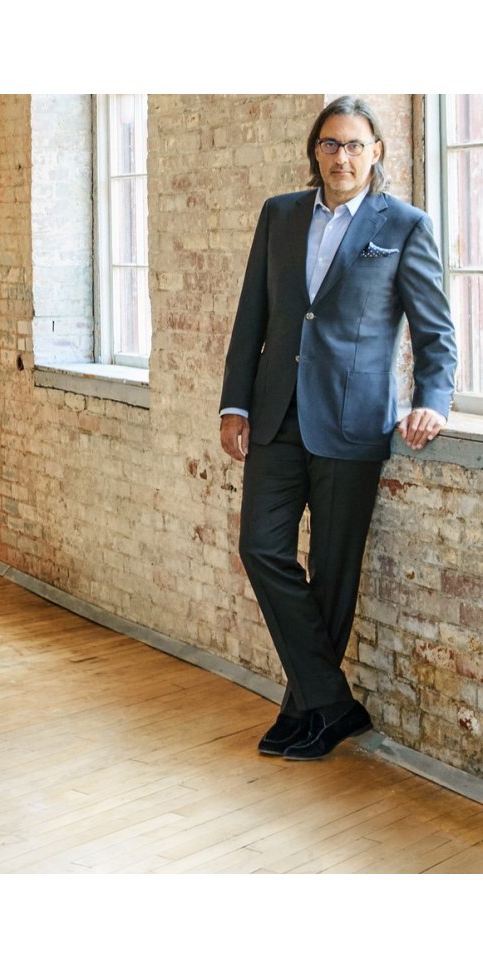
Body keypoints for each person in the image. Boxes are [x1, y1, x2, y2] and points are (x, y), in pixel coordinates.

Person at [220, 97, 457, 761]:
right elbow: (253, 318)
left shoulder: (405, 225)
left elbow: (435, 330)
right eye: (330, 144)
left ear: (376, 152)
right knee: (261, 548)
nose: (342, 157)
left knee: (333, 571)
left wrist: (432, 398)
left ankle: (308, 711)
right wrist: (233, 404)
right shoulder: (280, 215)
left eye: (355, 145)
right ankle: (333, 702)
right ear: (314, 151)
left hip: (354, 422)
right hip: (275, 415)